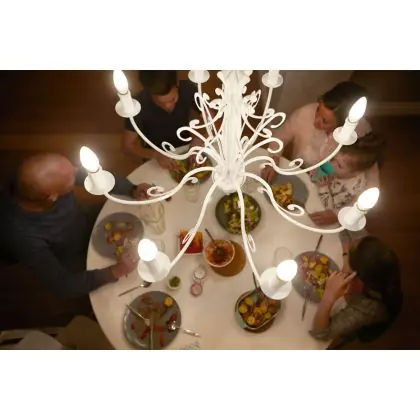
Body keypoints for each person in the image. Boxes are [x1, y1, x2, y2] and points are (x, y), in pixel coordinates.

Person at [0, 153, 152, 299]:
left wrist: (132, 189)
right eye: (71, 176)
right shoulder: (21, 236)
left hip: (83, 221)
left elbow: (94, 177)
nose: (76, 170)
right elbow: (62, 286)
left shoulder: (35, 181)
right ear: (53, 196)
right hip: (74, 256)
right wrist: (116, 271)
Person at [261, 81, 379, 183]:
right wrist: (273, 160)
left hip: (330, 186)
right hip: (296, 170)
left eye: (324, 121)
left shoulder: (359, 133)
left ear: (342, 124)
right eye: (318, 110)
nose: (315, 121)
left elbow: (369, 171)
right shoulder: (304, 113)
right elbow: (279, 138)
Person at [310, 236, 403, 341]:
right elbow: (348, 239)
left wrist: (329, 296)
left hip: (365, 329)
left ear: (357, 277)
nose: (352, 241)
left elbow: (320, 333)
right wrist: (347, 255)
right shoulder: (379, 266)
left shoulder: (367, 308)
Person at [121, 70, 203, 170]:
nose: (168, 106)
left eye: (173, 99)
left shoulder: (187, 89)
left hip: (185, 149)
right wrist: (156, 155)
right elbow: (127, 147)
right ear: (149, 93)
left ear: (177, 85)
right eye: (160, 103)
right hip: (156, 157)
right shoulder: (136, 106)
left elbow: (213, 118)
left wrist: (199, 138)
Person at [308, 125, 384, 226]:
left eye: (339, 165)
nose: (331, 164)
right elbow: (313, 175)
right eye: (334, 159)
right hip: (312, 198)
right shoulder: (335, 164)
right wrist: (316, 173)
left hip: (324, 217)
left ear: (355, 173)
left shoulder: (352, 189)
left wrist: (323, 187)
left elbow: (329, 209)